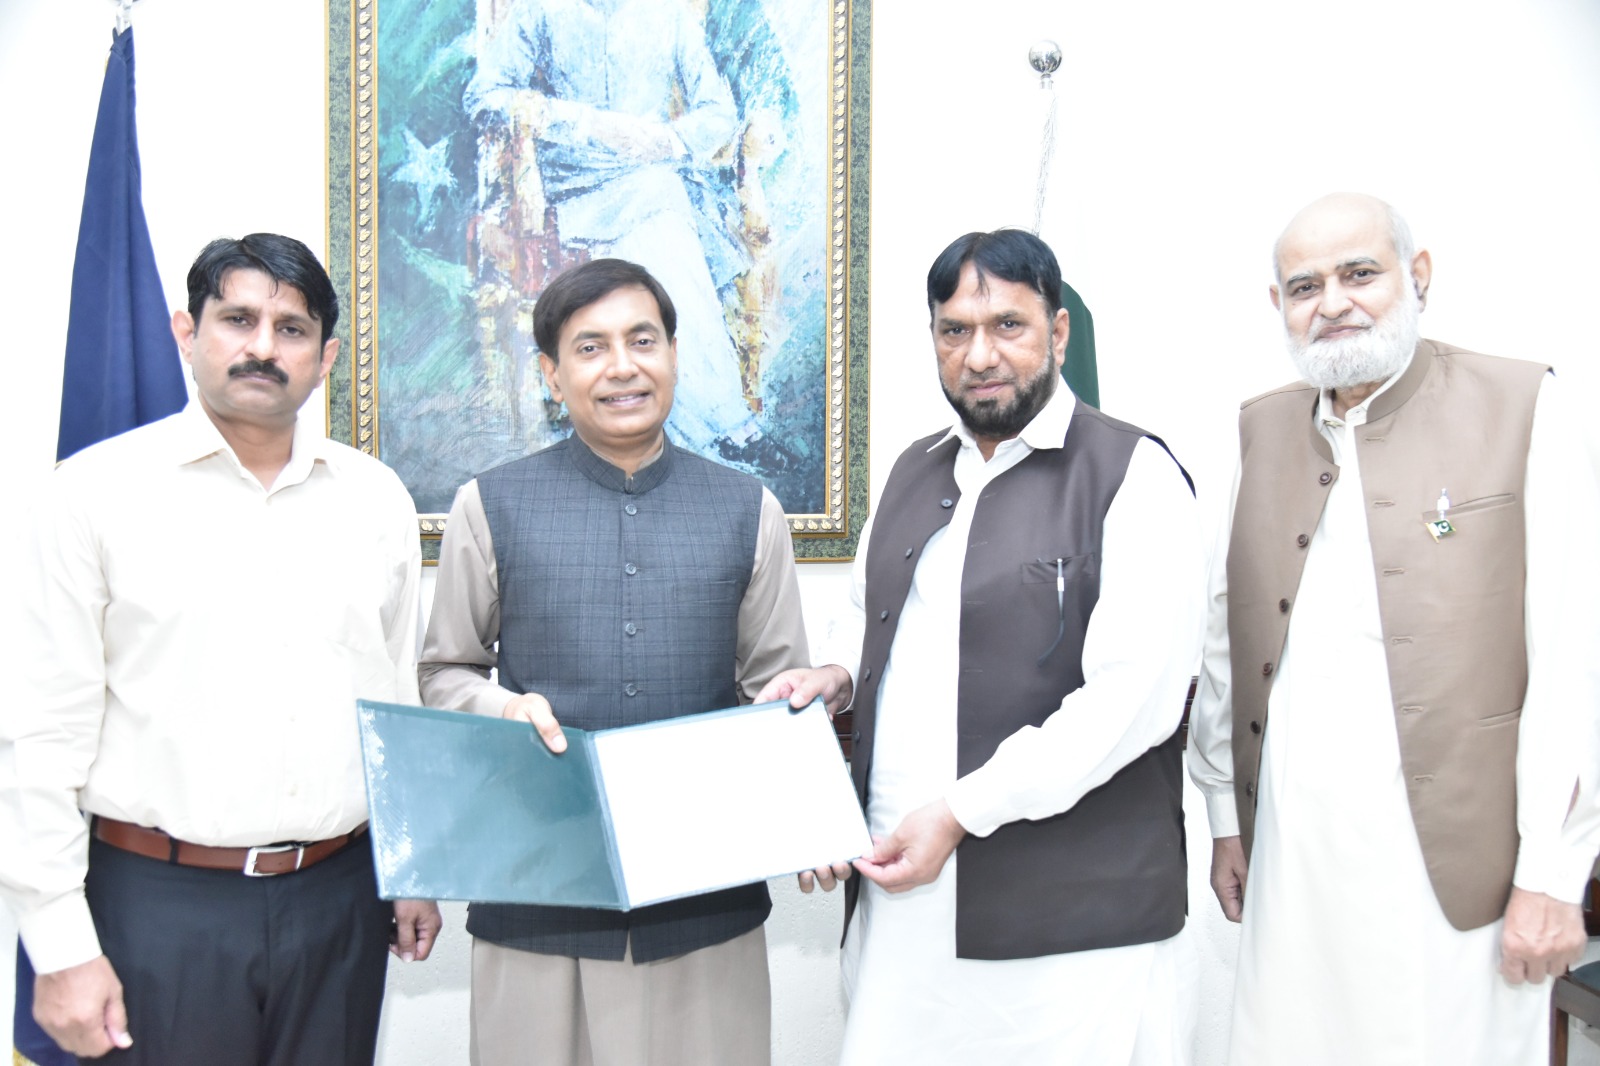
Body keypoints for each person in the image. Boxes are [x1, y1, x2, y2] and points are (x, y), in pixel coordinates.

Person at [761, 229, 1205, 1064]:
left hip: (1069, 927)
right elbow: (866, 617)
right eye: (954, 330)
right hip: (904, 906)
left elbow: (1132, 700)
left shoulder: (1134, 473)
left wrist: (961, 812)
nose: (979, 355)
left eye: (1008, 325)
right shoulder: (914, 468)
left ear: (1059, 331)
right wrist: (836, 675)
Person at [1, 233, 440, 1064]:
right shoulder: (91, 495)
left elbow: (395, 705)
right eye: (238, 319)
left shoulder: (374, 498)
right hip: (160, 906)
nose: (263, 346)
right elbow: (39, 735)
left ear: (325, 357)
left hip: (342, 901)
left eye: (292, 328)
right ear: (187, 332)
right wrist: (59, 948)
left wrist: (411, 865)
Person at [1188, 192, 1600, 1065]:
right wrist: (1224, 813)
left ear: (1418, 277)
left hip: (1458, 871)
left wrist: (1555, 874)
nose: (1333, 303)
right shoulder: (1259, 427)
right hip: (1294, 857)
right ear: (1278, 304)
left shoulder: (1523, 403)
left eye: (1359, 274)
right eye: (1306, 286)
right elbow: (1227, 636)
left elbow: (1575, 659)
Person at [418, 257, 809, 1066]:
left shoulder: (750, 509)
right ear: (551, 375)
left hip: (705, 906)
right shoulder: (487, 505)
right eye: (590, 347)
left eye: (643, 339)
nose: (622, 366)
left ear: (674, 353)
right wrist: (504, 709)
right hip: (536, 900)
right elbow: (444, 672)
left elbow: (778, 697)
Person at [464, 0, 787, 468]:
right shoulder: (541, 11)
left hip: (653, 175)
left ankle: (692, 430)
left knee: (663, 215)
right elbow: (483, 95)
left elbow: (719, 112)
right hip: (574, 189)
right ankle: (725, 426)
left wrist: (665, 139)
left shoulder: (669, 15)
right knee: (664, 216)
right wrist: (579, 120)